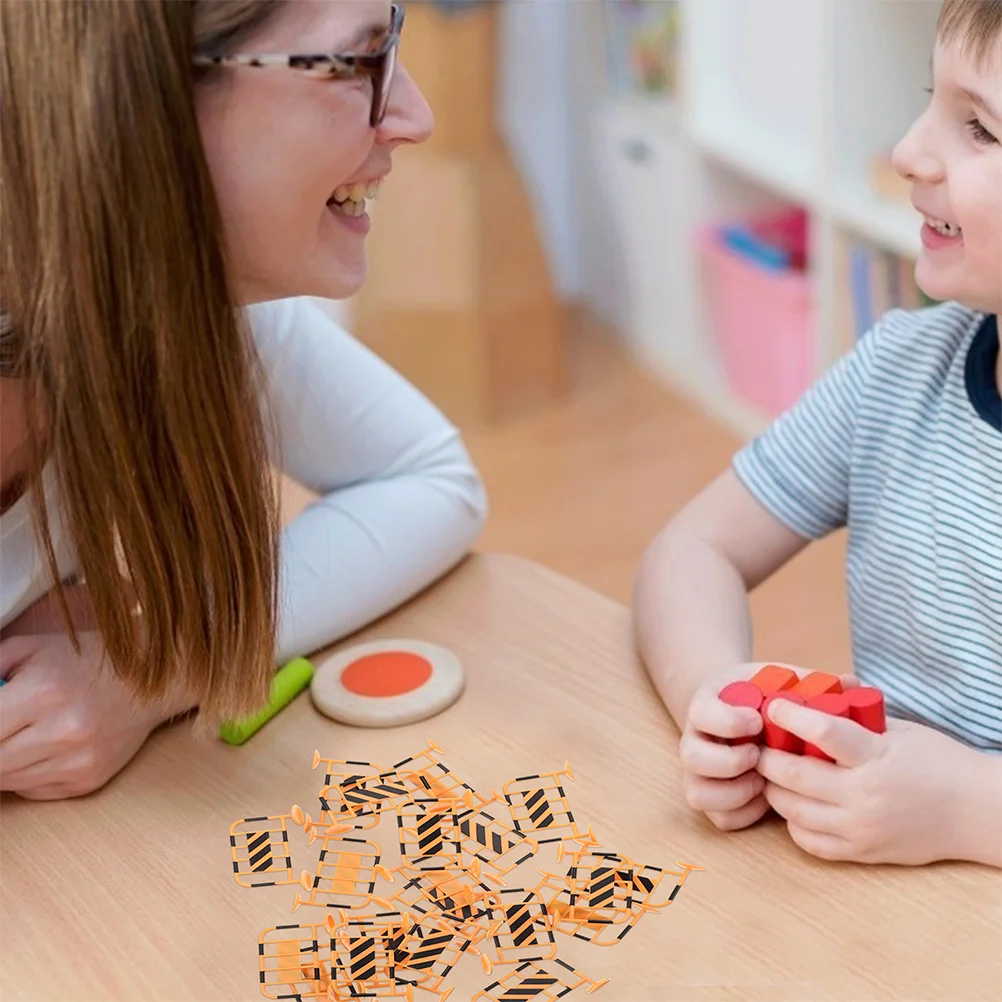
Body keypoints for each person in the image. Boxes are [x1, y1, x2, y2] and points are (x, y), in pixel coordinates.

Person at [0, 0, 487, 801]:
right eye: (352, 62)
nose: (412, 116)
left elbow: (427, 477)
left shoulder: (165, 295)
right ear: (129, 100)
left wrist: (153, 664)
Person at [633, 0, 1001, 868]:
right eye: (930, 100)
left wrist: (967, 810)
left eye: (980, 128)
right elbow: (691, 550)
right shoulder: (901, 370)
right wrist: (712, 696)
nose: (909, 150)